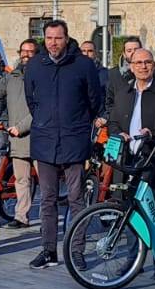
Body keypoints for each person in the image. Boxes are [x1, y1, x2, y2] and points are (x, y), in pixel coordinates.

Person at [24, 19, 104, 269]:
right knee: (47, 199)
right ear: (44, 38)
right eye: (49, 38)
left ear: (66, 38)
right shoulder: (35, 65)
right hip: (44, 140)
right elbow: (31, 100)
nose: (53, 42)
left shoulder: (83, 64)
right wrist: (44, 120)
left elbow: (95, 100)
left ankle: (76, 250)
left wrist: (79, 124)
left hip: (74, 140)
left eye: (58, 38)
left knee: (76, 198)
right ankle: (48, 250)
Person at [107, 47, 155, 279]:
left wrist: (154, 133)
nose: (143, 66)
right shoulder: (124, 92)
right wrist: (117, 133)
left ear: (154, 65)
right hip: (129, 162)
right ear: (130, 66)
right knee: (131, 214)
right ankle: (135, 261)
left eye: (148, 62)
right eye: (138, 62)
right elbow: (113, 122)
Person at [0, 39, 38, 229]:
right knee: (21, 180)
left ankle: (49, 219)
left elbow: (41, 109)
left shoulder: (42, 76)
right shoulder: (11, 77)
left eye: (30, 51)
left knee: (47, 183)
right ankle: (22, 216)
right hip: (17, 139)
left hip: (38, 137)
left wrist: (21, 127)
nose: (26, 55)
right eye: (23, 51)